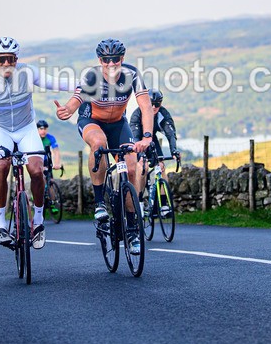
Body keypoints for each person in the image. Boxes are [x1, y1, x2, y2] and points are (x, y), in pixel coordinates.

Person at [0, 36, 74, 250]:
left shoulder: (28, 72)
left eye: (11, 59)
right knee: (2, 166)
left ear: (16, 59)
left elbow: (58, 82)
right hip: (0, 130)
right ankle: (1, 225)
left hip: (26, 128)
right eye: (1, 59)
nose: (6, 63)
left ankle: (38, 221)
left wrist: (90, 84)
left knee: (36, 171)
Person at [55, 38, 154, 255]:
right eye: (106, 60)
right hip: (92, 121)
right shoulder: (92, 76)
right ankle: (100, 202)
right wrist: (68, 110)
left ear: (122, 58)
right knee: (99, 144)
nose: (111, 64)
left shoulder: (132, 74)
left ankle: (132, 229)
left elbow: (146, 106)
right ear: (100, 60)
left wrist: (147, 137)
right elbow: (76, 99)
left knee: (131, 167)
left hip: (118, 125)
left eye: (115, 59)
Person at [130, 89, 180, 217]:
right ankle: (139, 203)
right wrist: (140, 155)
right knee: (143, 167)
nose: (153, 107)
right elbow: (135, 137)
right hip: (137, 141)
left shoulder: (163, 113)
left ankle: (163, 205)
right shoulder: (137, 115)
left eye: (157, 104)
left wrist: (174, 150)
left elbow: (170, 133)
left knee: (161, 167)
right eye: (151, 103)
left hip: (152, 140)